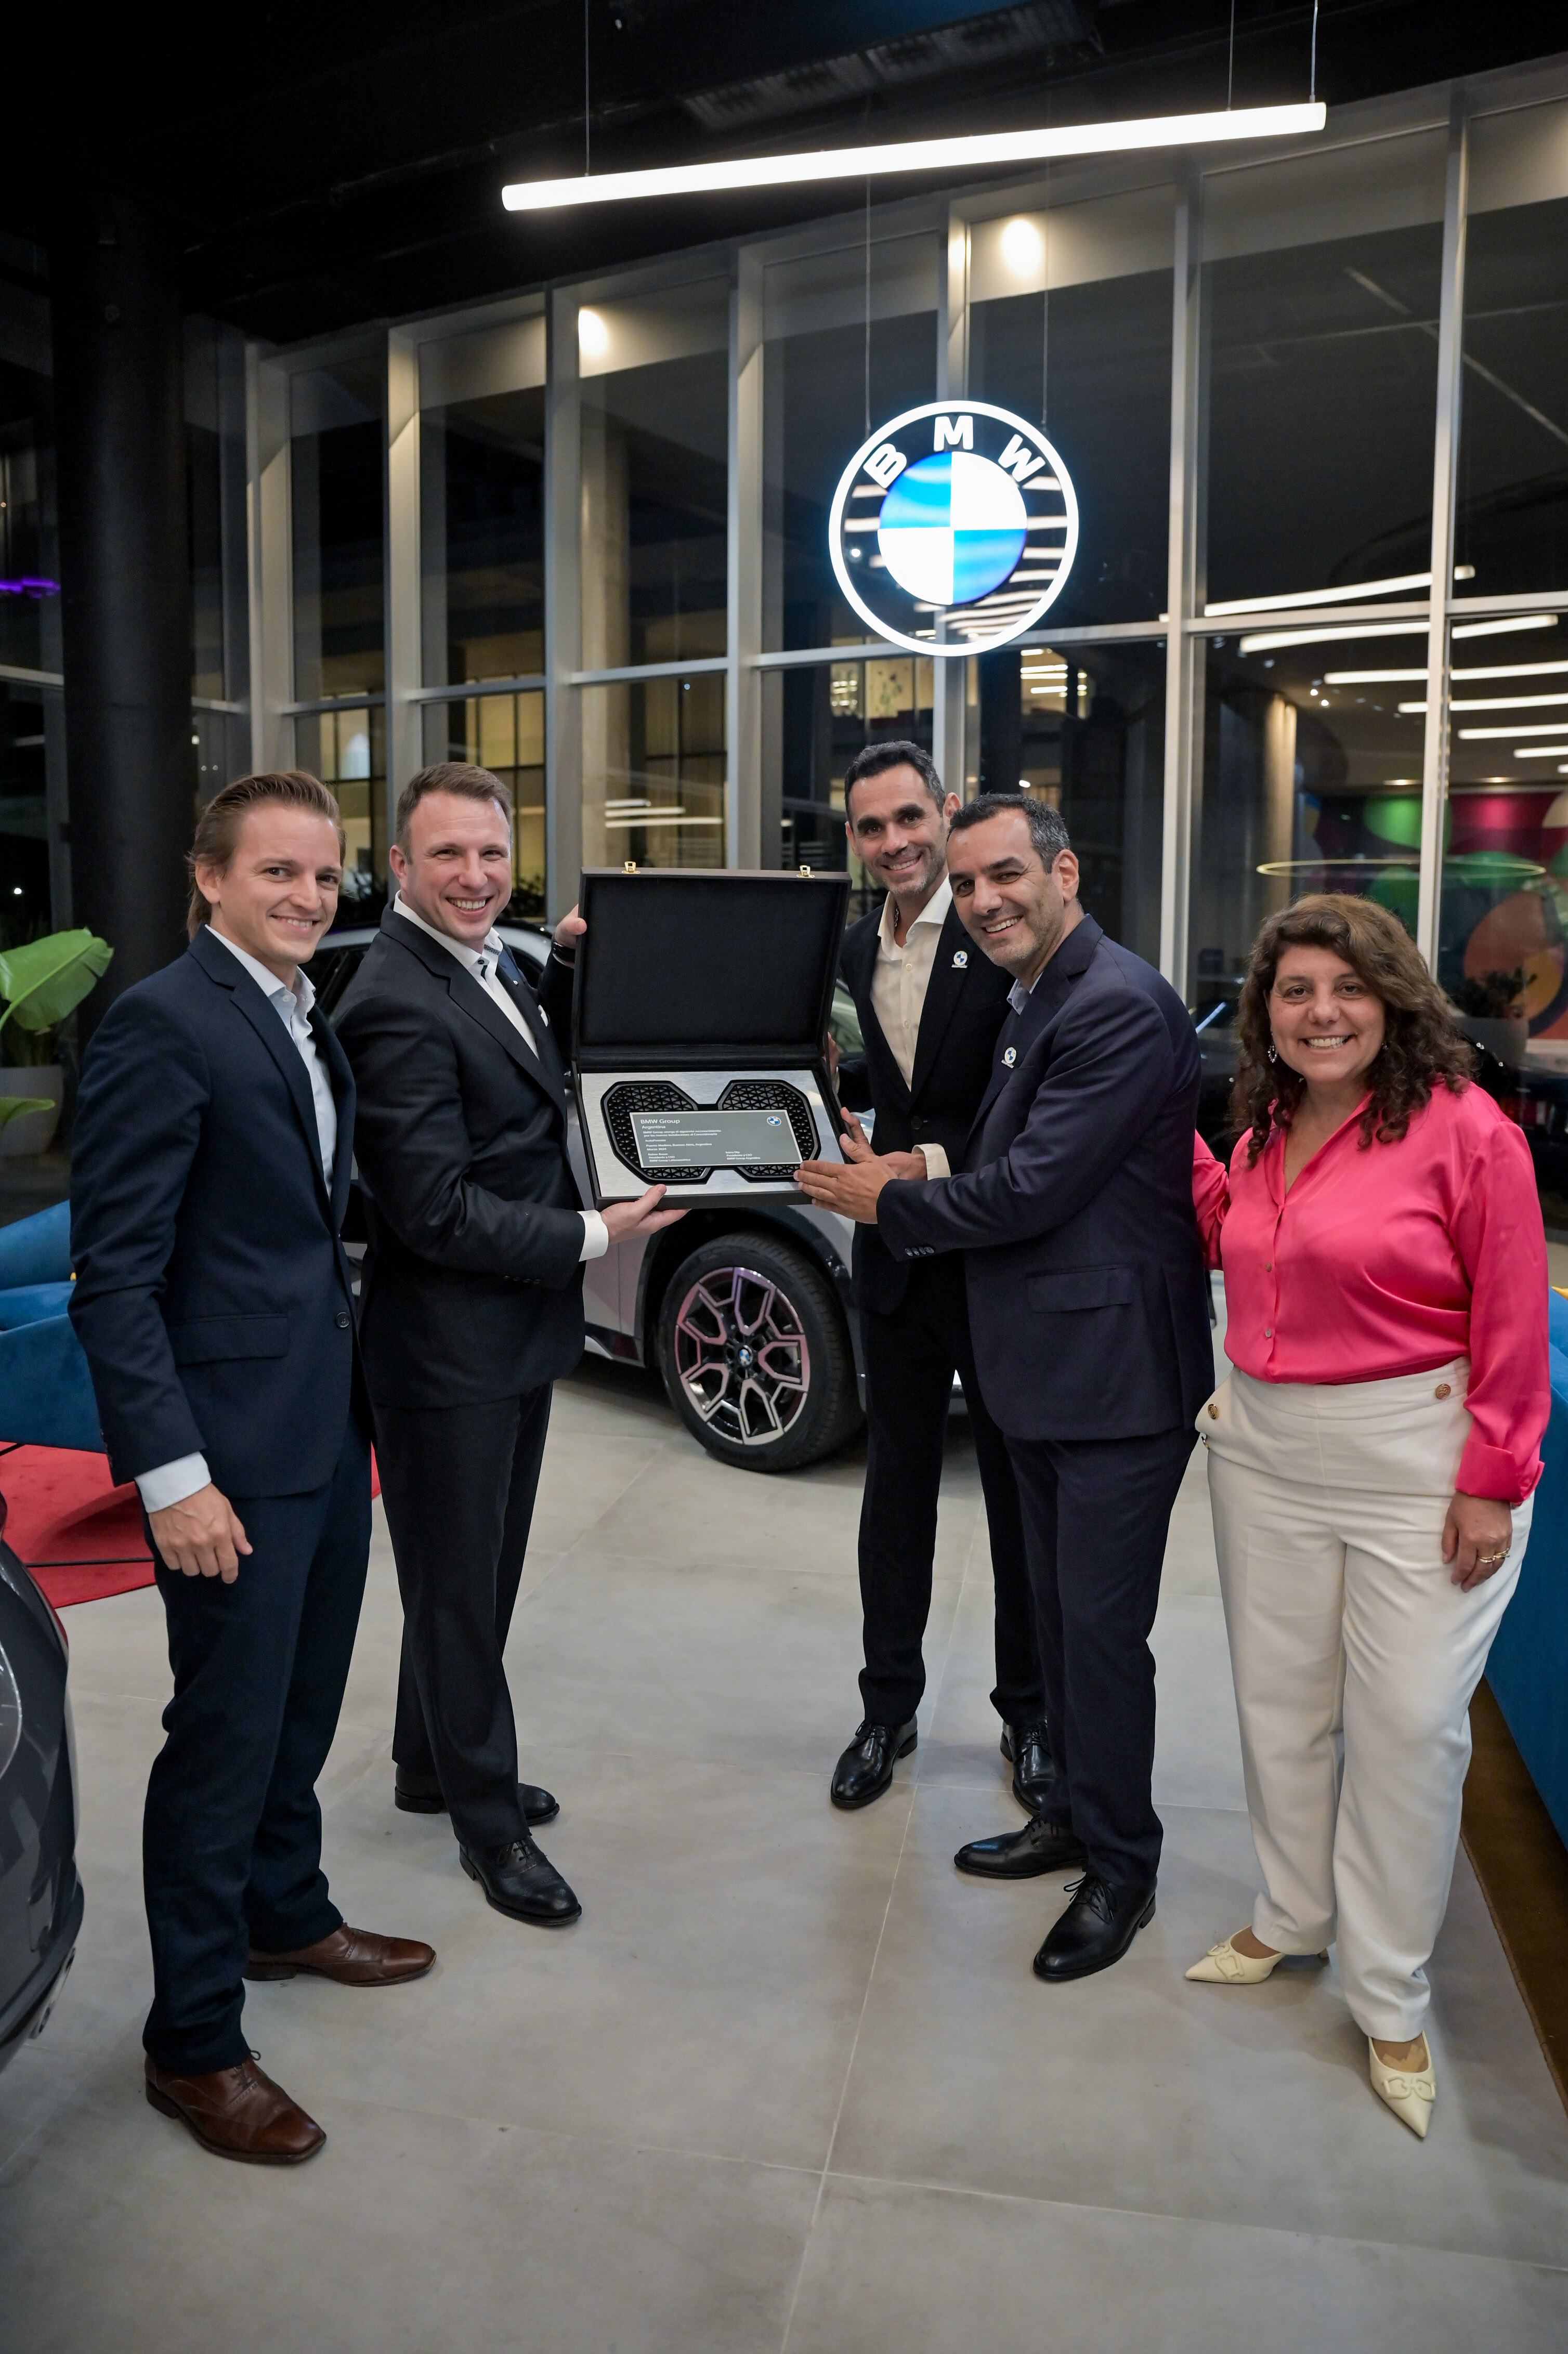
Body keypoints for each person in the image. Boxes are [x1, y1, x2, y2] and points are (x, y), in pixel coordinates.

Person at [69, 771, 434, 2169]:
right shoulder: (165, 1022)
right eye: (277, 870)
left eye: (324, 873)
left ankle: (286, 1913)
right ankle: (193, 2041)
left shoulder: (299, 1012)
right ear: (208, 878)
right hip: (226, 1453)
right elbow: (118, 1278)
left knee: (300, 1705)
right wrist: (173, 1477)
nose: (307, 894)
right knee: (222, 1738)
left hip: (319, 1430)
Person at [800, 794, 1211, 1981]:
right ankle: (1073, 1815)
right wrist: (915, 1160)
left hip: (1113, 1381)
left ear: (1063, 872)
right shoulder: (1039, 993)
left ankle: (1121, 1867)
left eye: (1006, 875)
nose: (984, 901)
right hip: (1046, 1368)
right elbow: (1002, 1151)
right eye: (970, 883)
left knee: (1099, 1635)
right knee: (1060, 1617)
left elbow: (1030, 1188)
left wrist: (892, 1199)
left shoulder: (1114, 1002)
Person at [1186, 894, 1548, 2138]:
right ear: (1266, 1013)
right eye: (1293, 990)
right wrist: (1158, 1138)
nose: (1320, 1011)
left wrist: (1490, 1478)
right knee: (1278, 1704)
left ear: (1393, 999)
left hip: (1415, 1464)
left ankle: (1387, 1991)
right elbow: (1235, 1242)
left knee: (1403, 1732)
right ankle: (1291, 1915)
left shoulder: (1466, 1130)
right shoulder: (1265, 1122)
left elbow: (1511, 1315)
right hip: (1264, 1451)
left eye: (1345, 988)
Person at [335, 762, 682, 1929]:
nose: (475, 874)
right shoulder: (393, 997)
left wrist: (573, 966)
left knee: (474, 1579)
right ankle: (489, 1827)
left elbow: (530, 1085)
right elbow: (431, 1210)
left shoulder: (491, 966)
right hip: (444, 1353)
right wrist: (594, 1233)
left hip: (509, 1336)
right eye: (447, 853)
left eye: (491, 851)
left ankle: (429, 1764)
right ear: (399, 865)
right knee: (456, 1592)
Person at [827, 742, 1048, 1814]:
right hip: (896, 1264)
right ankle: (886, 1709)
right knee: (895, 1498)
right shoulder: (848, 944)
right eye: (872, 827)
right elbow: (895, 1080)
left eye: (909, 817)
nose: (894, 843)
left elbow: (1027, 1100)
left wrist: (924, 1164)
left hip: (996, 1259)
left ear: (946, 810)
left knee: (1017, 1503)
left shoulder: (1000, 927)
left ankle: (1030, 1717)